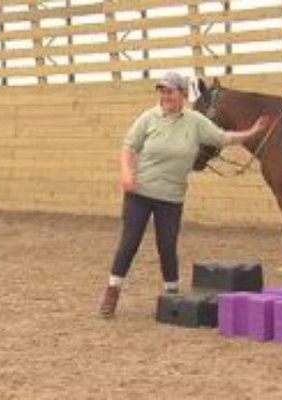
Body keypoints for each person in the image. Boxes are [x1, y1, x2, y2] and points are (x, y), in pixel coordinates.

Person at [99, 71, 269, 318]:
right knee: (129, 242)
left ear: (182, 94)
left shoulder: (195, 121)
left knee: (167, 246)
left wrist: (252, 132)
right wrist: (127, 173)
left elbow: (222, 137)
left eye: (170, 91)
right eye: (162, 92)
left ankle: (171, 292)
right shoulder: (148, 118)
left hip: (171, 196)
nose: (166, 96)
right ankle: (112, 290)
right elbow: (129, 146)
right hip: (141, 192)